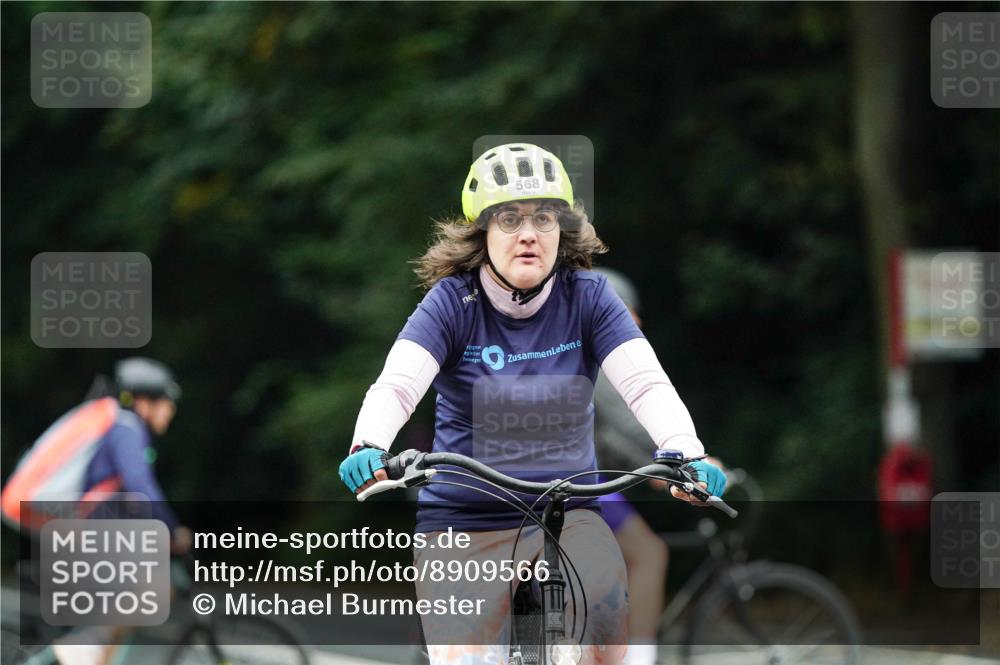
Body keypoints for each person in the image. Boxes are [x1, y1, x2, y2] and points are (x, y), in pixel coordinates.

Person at [338, 144, 726, 665]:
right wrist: (370, 444)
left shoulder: (588, 296)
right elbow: (398, 385)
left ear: (562, 232)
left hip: (568, 514)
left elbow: (646, 385)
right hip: (462, 521)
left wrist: (684, 451)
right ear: (482, 233)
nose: (528, 233)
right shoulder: (452, 302)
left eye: (544, 218)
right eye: (509, 219)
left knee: (607, 612)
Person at [51, 357, 191, 665]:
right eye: (167, 402)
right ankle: (85, 643)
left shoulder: (124, 429)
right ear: (145, 401)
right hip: (102, 531)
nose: (171, 410)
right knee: (155, 590)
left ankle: (88, 646)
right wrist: (171, 527)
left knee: (119, 625)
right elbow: (140, 486)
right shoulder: (126, 428)